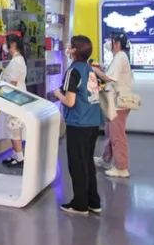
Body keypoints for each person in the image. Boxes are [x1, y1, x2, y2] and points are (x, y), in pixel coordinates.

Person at [53, 35, 106, 216]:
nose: (68, 48)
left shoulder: (73, 71)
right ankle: (93, 201)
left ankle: (80, 204)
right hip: (92, 121)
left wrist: (57, 94)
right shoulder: (89, 69)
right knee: (87, 162)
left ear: (75, 50)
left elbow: (70, 101)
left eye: (70, 45)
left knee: (77, 164)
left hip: (78, 122)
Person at [95, 33, 134, 178]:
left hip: (118, 104)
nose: (108, 43)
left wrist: (95, 71)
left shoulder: (120, 57)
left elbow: (110, 78)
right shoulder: (119, 57)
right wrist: (101, 69)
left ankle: (122, 168)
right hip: (115, 102)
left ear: (116, 43)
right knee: (110, 132)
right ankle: (106, 159)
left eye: (110, 41)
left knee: (117, 135)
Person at [1, 34, 28, 167]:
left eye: (6, 43)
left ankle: (19, 157)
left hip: (14, 97)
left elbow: (13, 82)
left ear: (12, 45)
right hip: (17, 95)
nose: (4, 46)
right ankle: (16, 154)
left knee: (14, 127)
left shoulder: (16, 61)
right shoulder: (19, 60)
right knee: (13, 126)